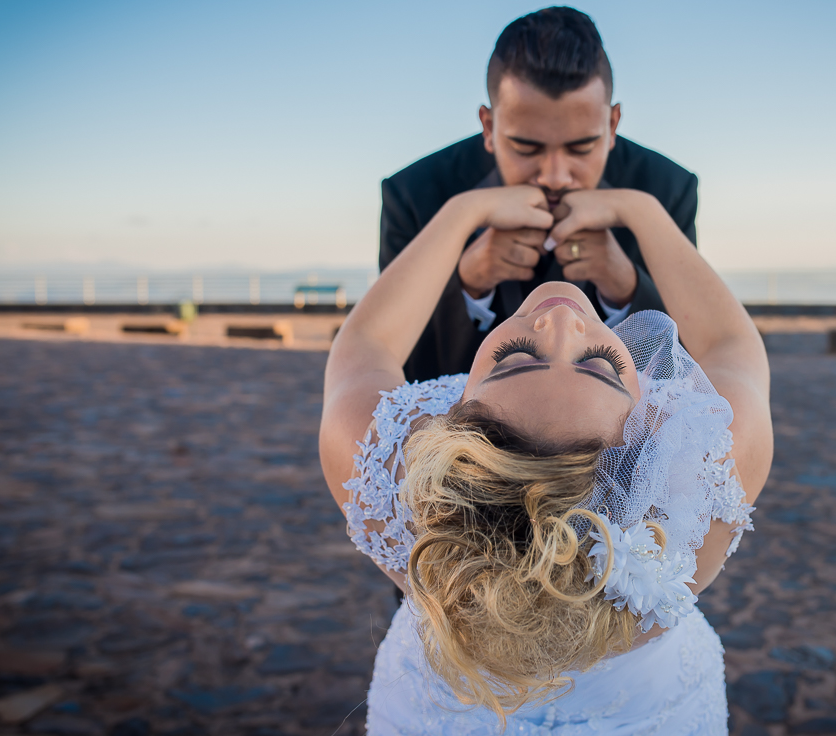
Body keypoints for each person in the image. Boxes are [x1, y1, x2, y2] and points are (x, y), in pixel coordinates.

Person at [320, 178, 774, 731]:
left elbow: (364, 343)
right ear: (652, 438)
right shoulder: (702, 484)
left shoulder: (392, 478)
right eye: (602, 366)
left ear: (444, 437)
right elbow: (732, 342)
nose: (561, 322)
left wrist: (469, 208)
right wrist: (640, 208)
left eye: (513, 359)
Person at [379, 7, 698, 382]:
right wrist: (467, 284)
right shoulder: (412, 195)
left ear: (612, 125)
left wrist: (627, 289)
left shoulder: (668, 189)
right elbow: (395, 371)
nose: (555, 176)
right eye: (526, 148)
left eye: (581, 148)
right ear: (488, 125)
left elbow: (691, 373)